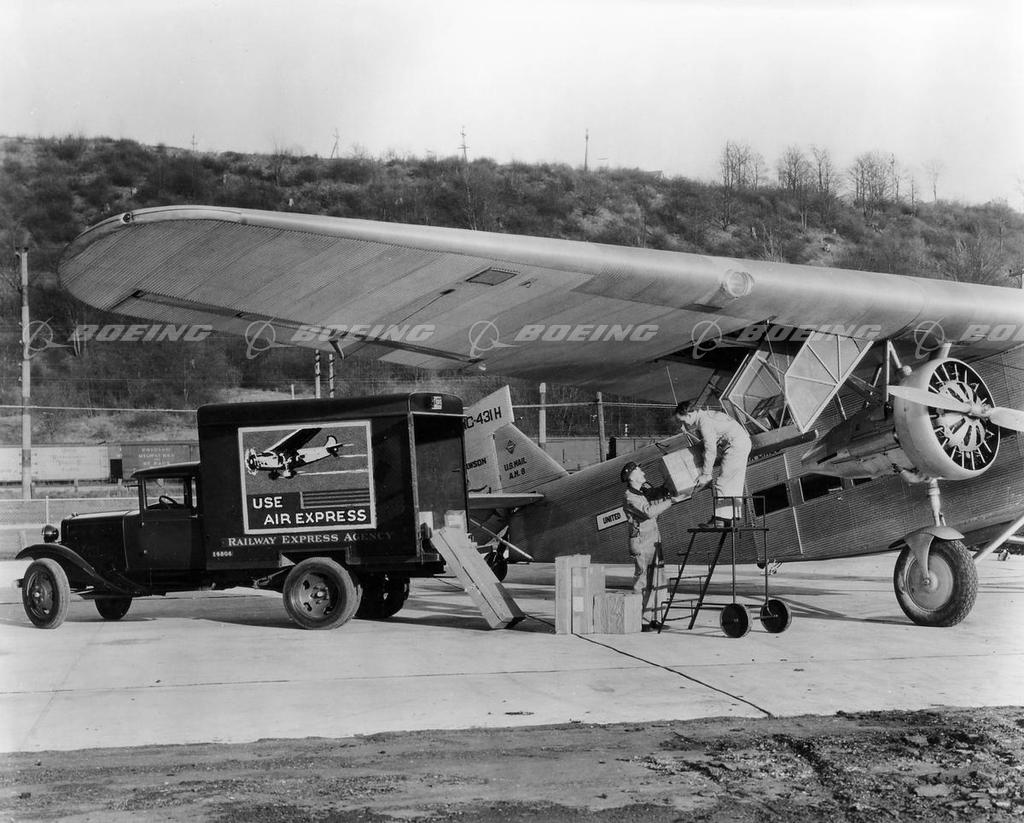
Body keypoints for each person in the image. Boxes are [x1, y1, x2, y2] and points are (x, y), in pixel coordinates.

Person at [621, 461, 686, 631]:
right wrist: (671, 501)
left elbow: (655, 496)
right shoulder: (630, 497)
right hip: (641, 543)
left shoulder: (642, 492)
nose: (643, 472)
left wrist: (668, 488)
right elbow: (648, 512)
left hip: (653, 540)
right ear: (631, 477)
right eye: (639, 470)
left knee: (658, 579)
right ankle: (639, 619)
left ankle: (655, 618)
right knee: (643, 580)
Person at [673, 400, 752, 527]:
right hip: (742, 443)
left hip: (735, 446)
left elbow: (711, 450)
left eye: (682, 421)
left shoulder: (704, 423)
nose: (683, 424)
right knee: (733, 482)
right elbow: (712, 441)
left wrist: (706, 474)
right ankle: (730, 518)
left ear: (689, 415)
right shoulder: (708, 415)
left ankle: (720, 520)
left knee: (722, 482)